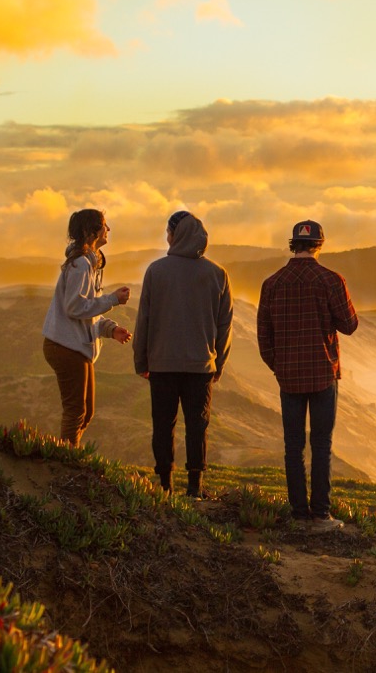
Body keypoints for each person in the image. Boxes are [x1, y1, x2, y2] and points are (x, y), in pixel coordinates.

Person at [257, 219, 359, 532]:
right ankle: (322, 515)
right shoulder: (331, 280)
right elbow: (349, 325)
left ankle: (299, 515)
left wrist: (280, 366)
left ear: (293, 244)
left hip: (289, 376)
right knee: (321, 445)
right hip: (322, 373)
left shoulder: (272, 283)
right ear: (319, 244)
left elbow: (264, 337)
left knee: (293, 447)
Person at [133, 210, 233, 498]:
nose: (166, 237)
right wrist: (219, 364)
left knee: (163, 425)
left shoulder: (156, 271)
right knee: (197, 426)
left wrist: (141, 360)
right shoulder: (218, 274)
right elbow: (225, 325)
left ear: (175, 235)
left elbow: (145, 320)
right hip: (201, 366)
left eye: (168, 232)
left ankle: (165, 484)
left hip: (162, 364)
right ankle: (195, 486)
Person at [42, 209, 132, 446]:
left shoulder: (87, 264)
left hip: (73, 345)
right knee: (76, 412)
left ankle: (68, 457)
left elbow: (85, 312)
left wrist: (110, 330)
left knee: (86, 412)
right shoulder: (81, 264)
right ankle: (65, 465)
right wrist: (112, 299)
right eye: (104, 225)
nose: (108, 229)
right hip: (65, 345)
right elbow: (75, 307)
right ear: (89, 231)